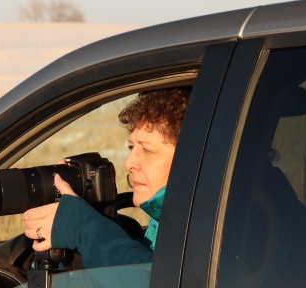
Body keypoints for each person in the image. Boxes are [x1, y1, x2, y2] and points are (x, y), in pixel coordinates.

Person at [23, 87, 191, 268]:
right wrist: (99, 216)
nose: (128, 163)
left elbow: (151, 284)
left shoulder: (203, 226)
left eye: (147, 150)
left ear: (190, 159)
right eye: (131, 147)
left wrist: (81, 227)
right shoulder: (172, 222)